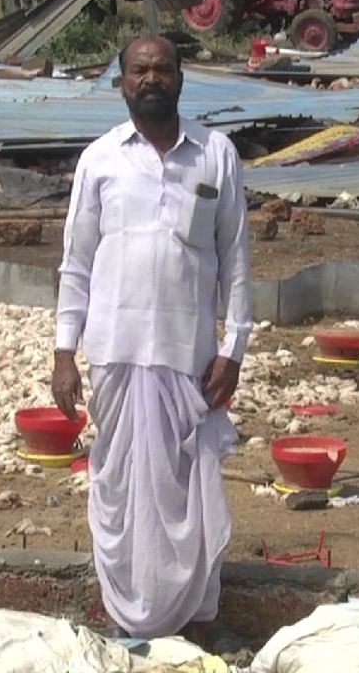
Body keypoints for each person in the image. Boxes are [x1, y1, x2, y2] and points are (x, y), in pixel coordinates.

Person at [50, 35, 252, 651]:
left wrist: (235, 348)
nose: (151, 78)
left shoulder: (215, 156)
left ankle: (199, 616)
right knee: (120, 488)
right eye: (139, 70)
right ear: (122, 82)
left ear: (182, 78)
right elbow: (76, 262)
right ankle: (128, 614)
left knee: (189, 490)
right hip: (114, 353)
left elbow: (236, 259)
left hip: (189, 357)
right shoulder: (100, 160)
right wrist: (64, 351)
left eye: (163, 68)